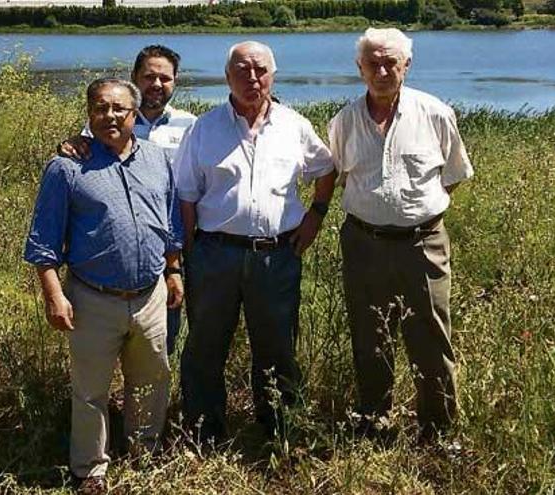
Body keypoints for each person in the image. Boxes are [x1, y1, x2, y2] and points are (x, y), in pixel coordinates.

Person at [24, 78, 183, 494]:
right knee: (90, 390)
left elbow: (170, 222)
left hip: (150, 295)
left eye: (118, 109)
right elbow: (43, 242)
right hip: (92, 298)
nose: (109, 116)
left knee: (152, 379)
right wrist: (54, 296)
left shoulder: (156, 159)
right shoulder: (67, 167)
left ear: (134, 114)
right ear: (89, 113)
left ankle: (144, 450)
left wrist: (174, 270)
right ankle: (90, 469)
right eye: (100, 108)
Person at [175, 41, 336, 442]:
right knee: (205, 348)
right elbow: (186, 196)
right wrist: (190, 255)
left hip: (276, 257)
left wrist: (316, 215)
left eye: (260, 70)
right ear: (227, 77)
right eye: (242, 71)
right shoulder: (203, 128)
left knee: (278, 348)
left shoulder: (294, 125)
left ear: (273, 74)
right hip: (215, 254)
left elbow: (327, 168)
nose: (252, 78)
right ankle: (204, 431)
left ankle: (280, 429)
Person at [328, 28, 474, 442]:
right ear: (360, 69)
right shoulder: (344, 120)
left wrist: (415, 213)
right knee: (369, 337)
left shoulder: (435, 113)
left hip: (422, 245)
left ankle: (439, 431)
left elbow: (453, 176)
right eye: (373, 63)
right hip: (363, 244)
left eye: (391, 62)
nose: (382, 70)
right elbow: (341, 177)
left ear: (406, 65)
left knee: (431, 338)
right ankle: (376, 424)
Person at [59, 45, 197, 356]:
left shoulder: (191, 126)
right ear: (134, 79)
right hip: (113, 254)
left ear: (176, 81)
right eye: (149, 77)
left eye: (165, 78)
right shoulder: (105, 122)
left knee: (161, 336)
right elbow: (81, 161)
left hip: (172, 248)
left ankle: (152, 393)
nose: (157, 84)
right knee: (104, 339)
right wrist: (69, 143)